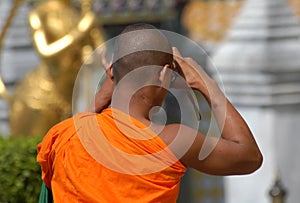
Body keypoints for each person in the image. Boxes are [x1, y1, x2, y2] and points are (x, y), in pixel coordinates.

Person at [37, 23, 263, 202]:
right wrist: (205, 82)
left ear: (113, 72)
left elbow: (84, 132)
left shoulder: (63, 136)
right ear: (164, 74)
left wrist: (104, 93)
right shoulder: (171, 140)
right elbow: (249, 156)